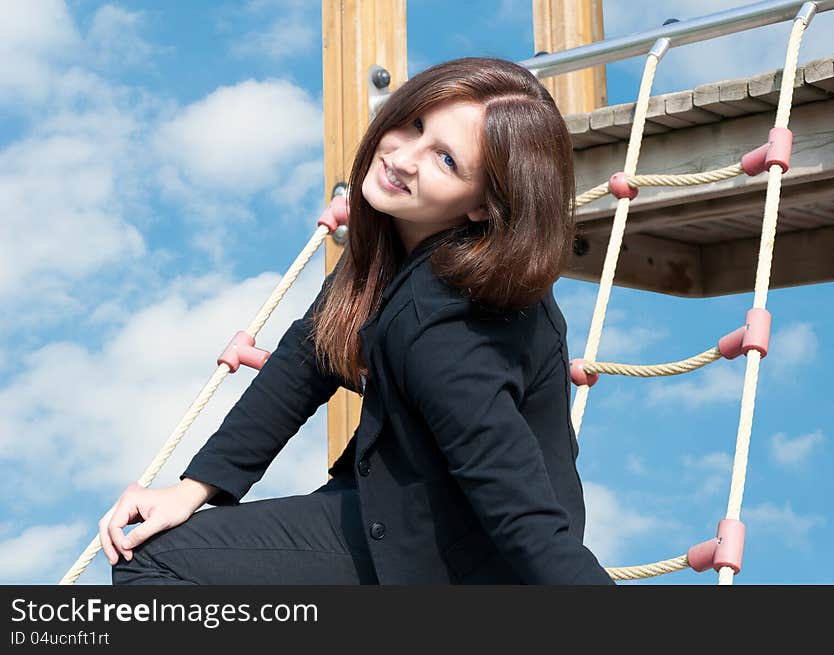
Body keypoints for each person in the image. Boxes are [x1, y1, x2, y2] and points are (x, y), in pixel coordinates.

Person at [105, 56, 614, 585]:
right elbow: (307, 357)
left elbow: (519, 508)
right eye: (415, 125)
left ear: (484, 205)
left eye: (445, 160)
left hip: (450, 562)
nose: (403, 158)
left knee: (151, 565)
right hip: (398, 509)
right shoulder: (402, 240)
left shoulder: (445, 326)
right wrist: (193, 488)